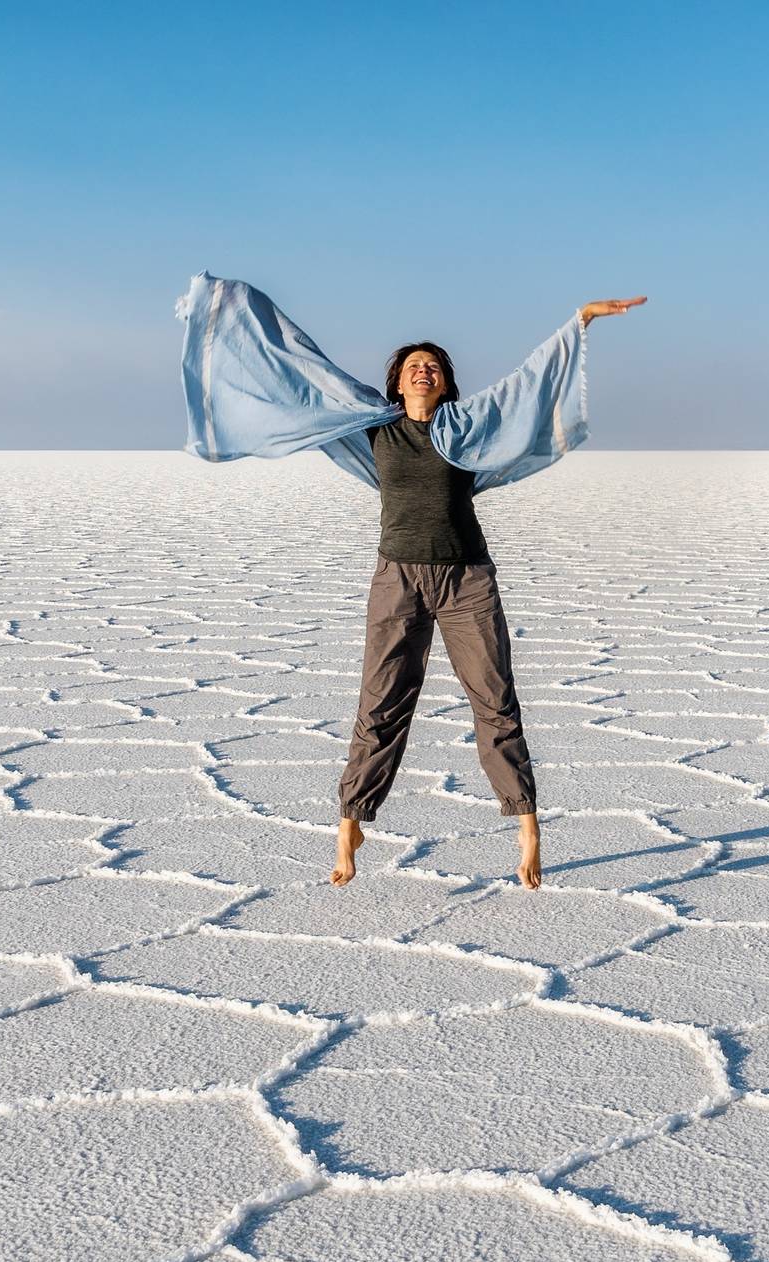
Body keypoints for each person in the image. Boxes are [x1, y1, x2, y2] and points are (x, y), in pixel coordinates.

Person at [171, 274, 645, 889]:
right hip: (397, 580)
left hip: (467, 579)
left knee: (495, 703)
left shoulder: (468, 428)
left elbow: (522, 388)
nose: (424, 371)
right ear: (396, 382)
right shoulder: (375, 429)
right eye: (414, 366)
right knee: (382, 705)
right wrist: (231, 311)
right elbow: (305, 372)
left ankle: (526, 824)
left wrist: (577, 321)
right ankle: (351, 822)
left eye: (434, 367)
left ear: (446, 382)